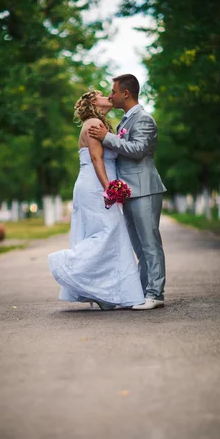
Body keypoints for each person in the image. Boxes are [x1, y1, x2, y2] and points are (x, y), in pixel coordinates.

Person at [48, 90, 145, 310]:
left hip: (95, 183)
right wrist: (109, 188)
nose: (108, 96)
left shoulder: (101, 124)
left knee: (106, 233)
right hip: (94, 184)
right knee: (108, 230)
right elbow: (95, 158)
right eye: (102, 94)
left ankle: (105, 293)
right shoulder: (92, 122)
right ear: (93, 102)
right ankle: (67, 264)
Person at [88, 74, 166, 310]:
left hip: (144, 189)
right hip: (129, 191)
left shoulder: (143, 119)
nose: (110, 96)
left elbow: (139, 149)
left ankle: (156, 293)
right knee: (139, 247)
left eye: (113, 91)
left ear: (126, 93)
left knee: (150, 243)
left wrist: (106, 138)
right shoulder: (125, 120)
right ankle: (143, 292)